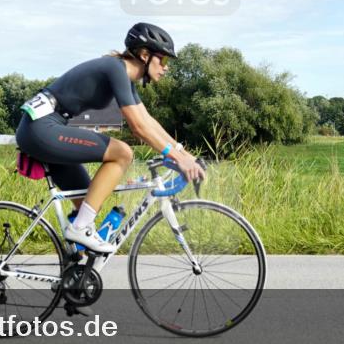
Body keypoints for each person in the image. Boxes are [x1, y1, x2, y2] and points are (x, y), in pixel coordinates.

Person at [15, 23, 206, 253]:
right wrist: (177, 157)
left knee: (89, 200)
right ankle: (79, 230)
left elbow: (148, 121)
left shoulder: (123, 76)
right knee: (123, 152)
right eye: (163, 61)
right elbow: (138, 128)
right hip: (40, 128)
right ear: (145, 55)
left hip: (44, 127)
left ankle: (75, 273)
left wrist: (184, 154)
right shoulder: (115, 69)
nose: (166, 68)